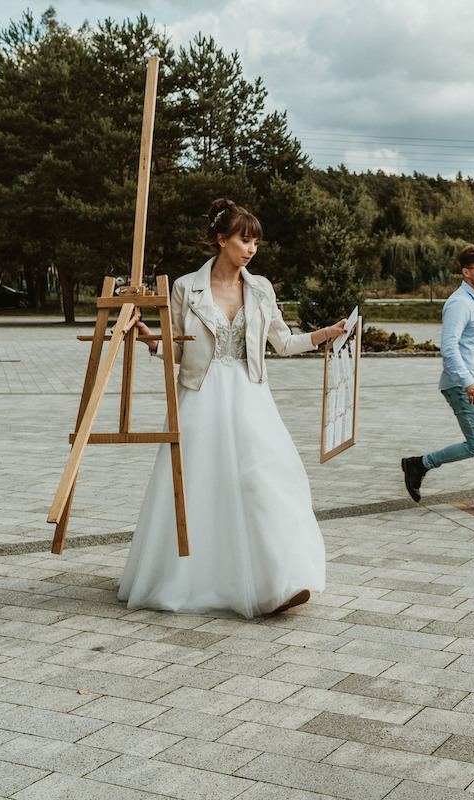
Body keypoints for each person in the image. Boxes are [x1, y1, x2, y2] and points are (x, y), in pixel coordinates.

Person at [119, 198, 345, 619]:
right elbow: (178, 349)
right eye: (245, 240)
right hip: (200, 396)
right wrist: (151, 339)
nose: (252, 249)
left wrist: (325, 333)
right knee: (200, 487)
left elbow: (283, 343)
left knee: (267, 480)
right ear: (222, 240)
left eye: (256, 242)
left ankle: (278, 582)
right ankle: (197, 580)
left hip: (250, 397)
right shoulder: (186, 287)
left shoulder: (261, 289)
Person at [402, 244, 474, 512]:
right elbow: (449, 348)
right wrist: (468, 381)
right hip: (462, 385)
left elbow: (472, 345)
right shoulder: (458, 303)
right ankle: (419, 464)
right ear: (466, 272)